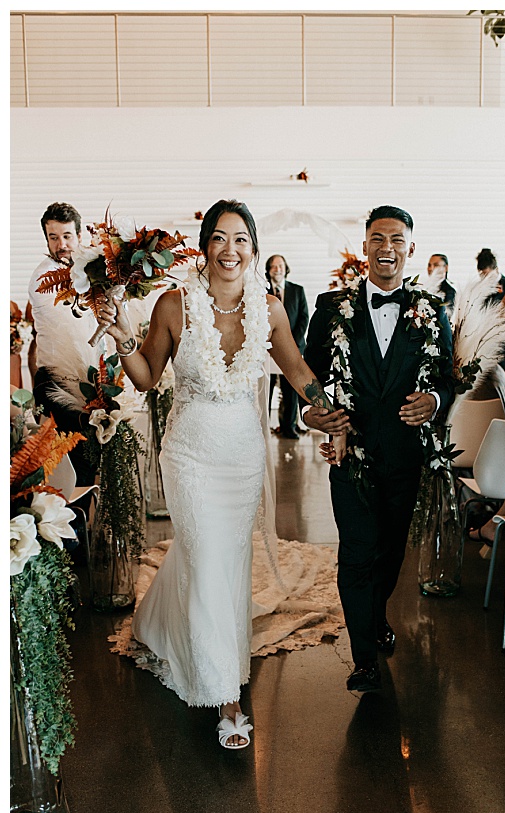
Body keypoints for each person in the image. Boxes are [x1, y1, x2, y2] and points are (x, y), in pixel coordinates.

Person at [96, 200, 341, 749]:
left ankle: (160, 625)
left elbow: (297, 369)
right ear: (204, 245)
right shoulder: (172, 306)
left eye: (242, 240)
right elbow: (145, 376)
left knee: (222, 560)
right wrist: (121, 338)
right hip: (190, 456)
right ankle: (224, 694)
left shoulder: (271, 309)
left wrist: (322, 404)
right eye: (220, 239)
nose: (231, 250)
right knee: (206, 556)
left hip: (241, 456)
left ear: (253, 250)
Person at [302, 206, 453, 694]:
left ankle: (375, 615)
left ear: (410, 248)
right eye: (377, 237)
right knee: (357, 554)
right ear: (364, 245)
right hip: (351, 453)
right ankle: (364, 655)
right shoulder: (330, 309)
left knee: (389, 555)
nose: (386, 247)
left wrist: (434, 401)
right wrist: (314, 417)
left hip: (405, 456)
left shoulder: (433, 312)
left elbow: (448, 381)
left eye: (397, 239)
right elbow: (308, 380)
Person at [26, 202, 101, 484]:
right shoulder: (43, 278)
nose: (61, 244)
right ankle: (70, 524)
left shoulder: (92, 271)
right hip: (57, 382)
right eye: (53, 237)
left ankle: (84, 522)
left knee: (90, 462)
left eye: (67, 236)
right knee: (64, 468)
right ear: (46, 239)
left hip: (90, 379)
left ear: (79, 236)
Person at [265, 254, 309, 439]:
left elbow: (304, 318)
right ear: (268, 270)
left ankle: (288, 427)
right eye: (274, 266)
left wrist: (290, 344)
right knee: (265, 388)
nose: (278, 269)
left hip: (293, 348)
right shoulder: (261, 292)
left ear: (286, 268)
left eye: (280, 265)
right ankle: (262, 427)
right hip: (266, 351)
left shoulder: (297, 291)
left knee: (291, 390)